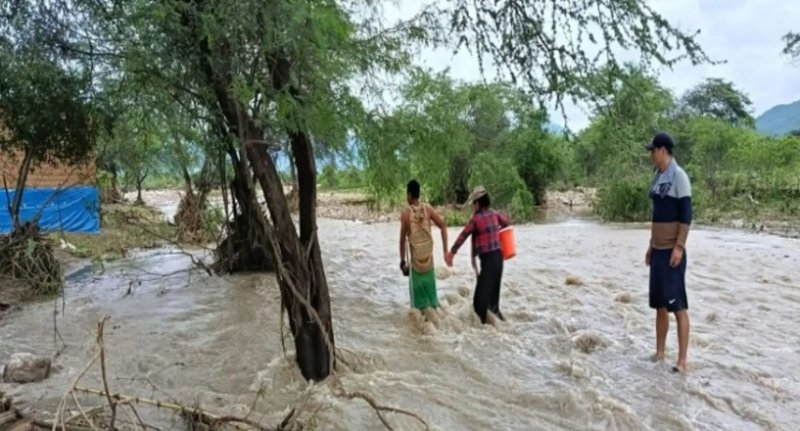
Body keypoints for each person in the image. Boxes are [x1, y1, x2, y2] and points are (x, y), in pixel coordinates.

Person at [644, 132, 692, 373]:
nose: (651, 155)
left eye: (653, 150)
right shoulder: (659, 176)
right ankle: (660, 352)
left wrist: (679, 247)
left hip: (673, 252)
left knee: (678, 307)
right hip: (658, 250)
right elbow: (658, 216)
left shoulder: (679, 177)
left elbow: (686, 217)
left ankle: (682, 362)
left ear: (663, 151)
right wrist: (651, 246)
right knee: (660, 306)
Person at [445, 186, 510, 324]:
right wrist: (495, 231)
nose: (472, 207)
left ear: (477, 203)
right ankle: (501, 331)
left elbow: (463, 235)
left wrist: (451, 253)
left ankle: (482, 337)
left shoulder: (476, 219)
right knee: (493, 305)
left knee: (478, 306)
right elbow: (506, 223)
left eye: (473, 204)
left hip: (488, 262)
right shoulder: (494, 214)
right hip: (499, 259)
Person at [399, 179, 448, 317]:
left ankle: (421, 336)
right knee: (432, 305)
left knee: (418, 311)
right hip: (429, 265)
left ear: (409, 194)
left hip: (416, 268)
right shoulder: (428, 210)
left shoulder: (406, 214)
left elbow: (402, 240)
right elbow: (443, 225)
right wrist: (445, 251)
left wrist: (402, 262)